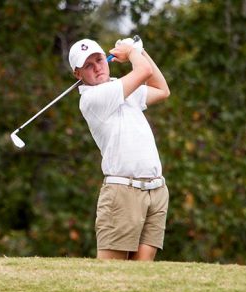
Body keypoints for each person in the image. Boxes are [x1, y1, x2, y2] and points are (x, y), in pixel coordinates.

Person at [68, 37, 170, 261]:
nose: (97, 67)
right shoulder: (92, 98)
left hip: (155, 190)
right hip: (123, 192)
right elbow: (142, 71)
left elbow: (162, 90)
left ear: (107, 59)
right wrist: (133, 52)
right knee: (112, 277)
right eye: (88, 65)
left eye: (99, 60)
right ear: (78, 74)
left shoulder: (121, 88)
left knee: (141, 277)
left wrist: (140, 51)